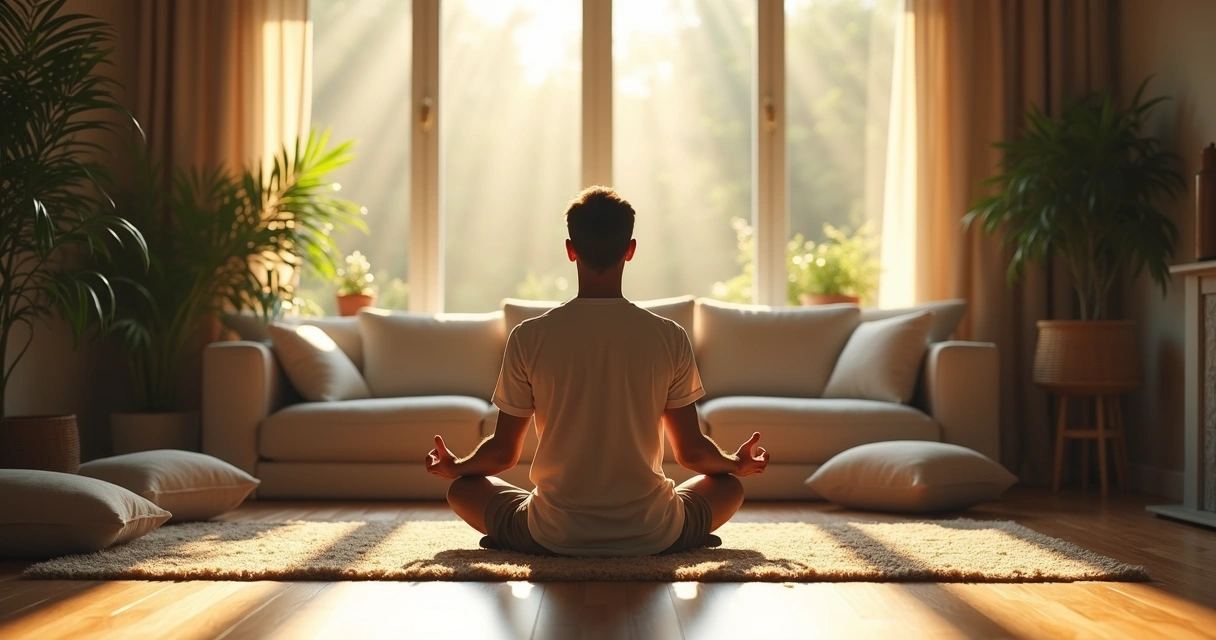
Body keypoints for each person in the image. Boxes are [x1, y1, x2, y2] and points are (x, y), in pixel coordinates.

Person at [424, 186, 769, 556]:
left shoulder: (529, 336)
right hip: (653, 530)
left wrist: (456, 466)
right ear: (630, 250)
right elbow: (693, 454)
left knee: (462, 490)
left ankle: (526, 540)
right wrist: (736, 463)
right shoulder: (669, 336)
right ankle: (673, 539)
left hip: (552, 531)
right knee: (729, 487)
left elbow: (503, 454)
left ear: (570, 250)